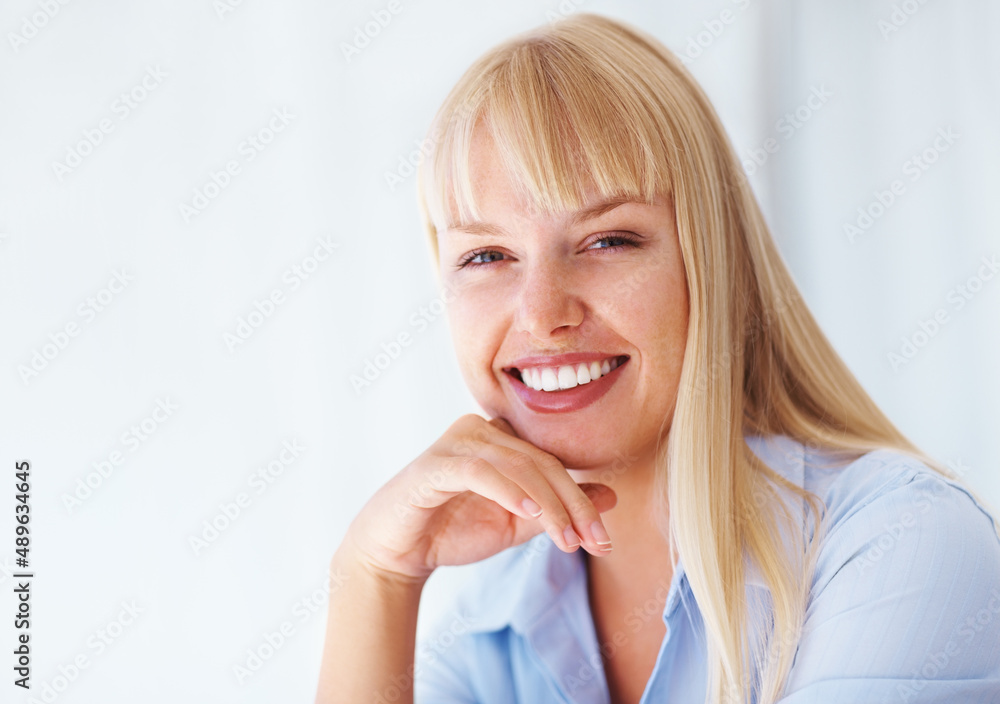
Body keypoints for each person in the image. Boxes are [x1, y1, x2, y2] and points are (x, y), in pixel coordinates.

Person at [314, 12, 1000, 704]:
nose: (542, 314)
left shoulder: (900, 544)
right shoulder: (492, 630)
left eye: (608, 240)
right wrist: (376, 577)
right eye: (486, 255)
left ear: (710, 263)